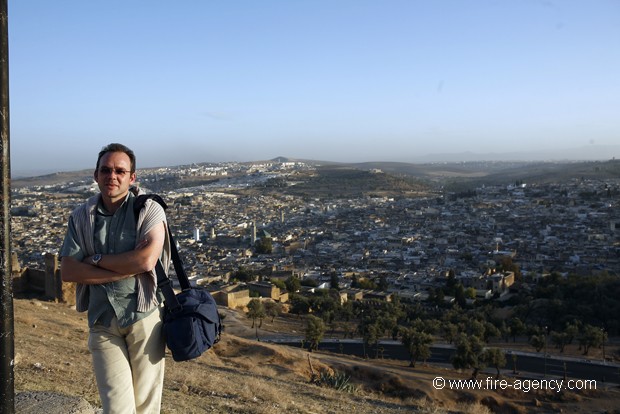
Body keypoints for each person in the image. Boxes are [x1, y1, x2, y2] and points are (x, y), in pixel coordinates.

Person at [60, 143, 171, 414]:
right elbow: (69, 271)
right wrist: (128, 266)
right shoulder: (80, 217)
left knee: (146, 406)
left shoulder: (149, 209)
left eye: (120, 171)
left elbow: (146, 261)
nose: (113, 176)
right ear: (96, 175)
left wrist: (95, 261)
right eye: (106, 170)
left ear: (132, 177)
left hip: (144, 316)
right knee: (116, 408)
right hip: (102, 320)